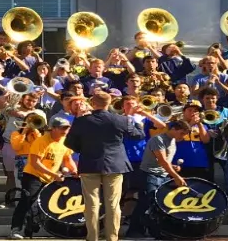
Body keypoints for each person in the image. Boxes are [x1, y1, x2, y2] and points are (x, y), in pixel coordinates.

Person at [62, 94, 146, 241]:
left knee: (91, 204)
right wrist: (137, 121)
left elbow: (69, 143)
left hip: (89, 164)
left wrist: (84, 149)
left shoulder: (82, 120)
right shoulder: (122, 119)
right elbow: (139, 135)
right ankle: (112, 237)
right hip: (115, 164)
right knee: (113, 204)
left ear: (93, 103)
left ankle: (92, 237)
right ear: (110, 103)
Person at [10, 116, 78, 239]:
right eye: (62, 128)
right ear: (53, 128)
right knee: (26, 201)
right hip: (33, 175)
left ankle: (31, 227)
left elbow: (68, 160)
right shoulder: (41, 141)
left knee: (45, 204)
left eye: (67, 128)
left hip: (50, 177)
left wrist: (75, 171)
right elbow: (35, 163)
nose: (65, 131)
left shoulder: (65, 141)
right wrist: (54, 174)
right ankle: (16, 229)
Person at [125, 121, 188, 239]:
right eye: (182, 133)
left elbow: (165, 161)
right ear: (174, 129)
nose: (182, 136)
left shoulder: (173, 141)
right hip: (149, 175)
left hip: (163, 176)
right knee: (145, 202)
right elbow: (162, 161)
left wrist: (173, 167)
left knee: (159, 205)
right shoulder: (158, 140)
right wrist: (176, 176)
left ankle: (157, 231)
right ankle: (134, 230)